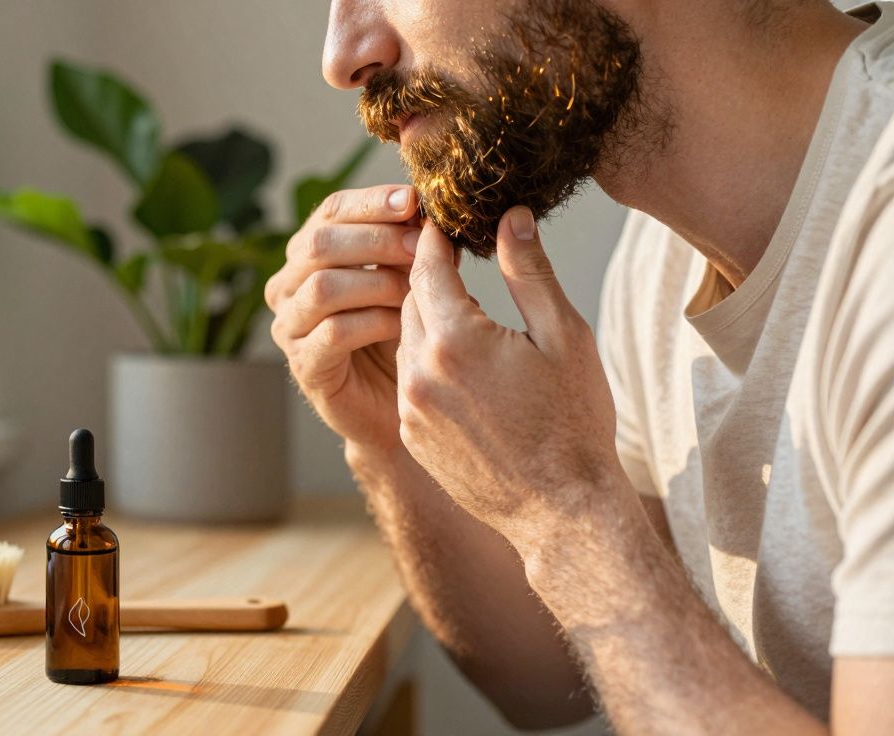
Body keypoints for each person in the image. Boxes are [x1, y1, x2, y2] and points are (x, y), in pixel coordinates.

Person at [264, 0, 894, 731]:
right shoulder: (662, 260)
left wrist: (565, 508)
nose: (343, 57)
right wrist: (391, 437)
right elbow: (553, 681)